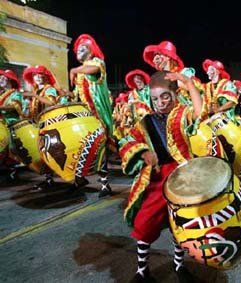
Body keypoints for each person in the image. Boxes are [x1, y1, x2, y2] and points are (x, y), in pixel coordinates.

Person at [118, 71, 205, 282]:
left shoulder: (183, 113)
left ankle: (178, 266)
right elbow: (126, 142)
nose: (160, 102)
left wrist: (188, 83)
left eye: (165, 96)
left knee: (180, 225)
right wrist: (143, 152)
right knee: (144, 222)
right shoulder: (145, 121)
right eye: (155, 98)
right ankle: (142, 270)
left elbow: (199, 110)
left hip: (183, 177)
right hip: (157, 179)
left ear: (175, 94)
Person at [70, 33, 114, 198]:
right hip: (83, 116)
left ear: (91, 51)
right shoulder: (80, 72)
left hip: (98, 116)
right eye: (78, 48)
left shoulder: (97, 63)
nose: (80, 50)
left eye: (84, 47)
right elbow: (77, 94)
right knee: (78, 146)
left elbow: (93, 70)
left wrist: (74, 70)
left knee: (100, 149)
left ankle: (105, 185)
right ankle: (78, 179)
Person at [22, 65, 69, 189]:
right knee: (43, 153)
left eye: (39, 74)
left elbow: (52, 103)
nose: (37, 77)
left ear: (45, 77)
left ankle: (73, 178)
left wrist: (35, 96)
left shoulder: (49, 89)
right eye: (35, 75)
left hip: (50, 125)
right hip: (40, 125)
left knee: (51, 152)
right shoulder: (37, 91)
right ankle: (49, 179)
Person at [143, 40, 204, 108]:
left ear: (168, 56)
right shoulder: (158, 81)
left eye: (158, 54)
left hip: (190, 112)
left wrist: (176, 83)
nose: (154, 60)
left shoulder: (184, 73)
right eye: (154, 57)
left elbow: (198, 90)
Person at [0, 69, 26, 180]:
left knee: (10, 149)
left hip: (10, 123)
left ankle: (12, 171)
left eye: (3, 78)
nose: (0, 80)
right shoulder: (1, 94)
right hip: (1, 123)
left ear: (10, 81)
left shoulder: (15, 93)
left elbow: (14, 106)